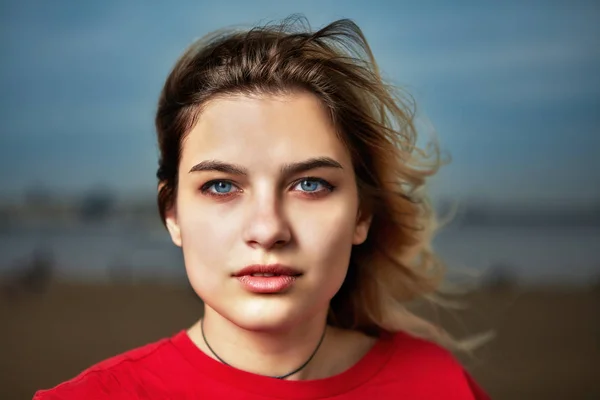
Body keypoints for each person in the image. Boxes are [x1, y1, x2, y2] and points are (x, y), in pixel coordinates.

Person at [34, 16, 490, 399]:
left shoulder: (438, 383)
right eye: (220, 186)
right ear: (171, 213)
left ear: (362, 215)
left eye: (310, 184)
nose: (268, 229)